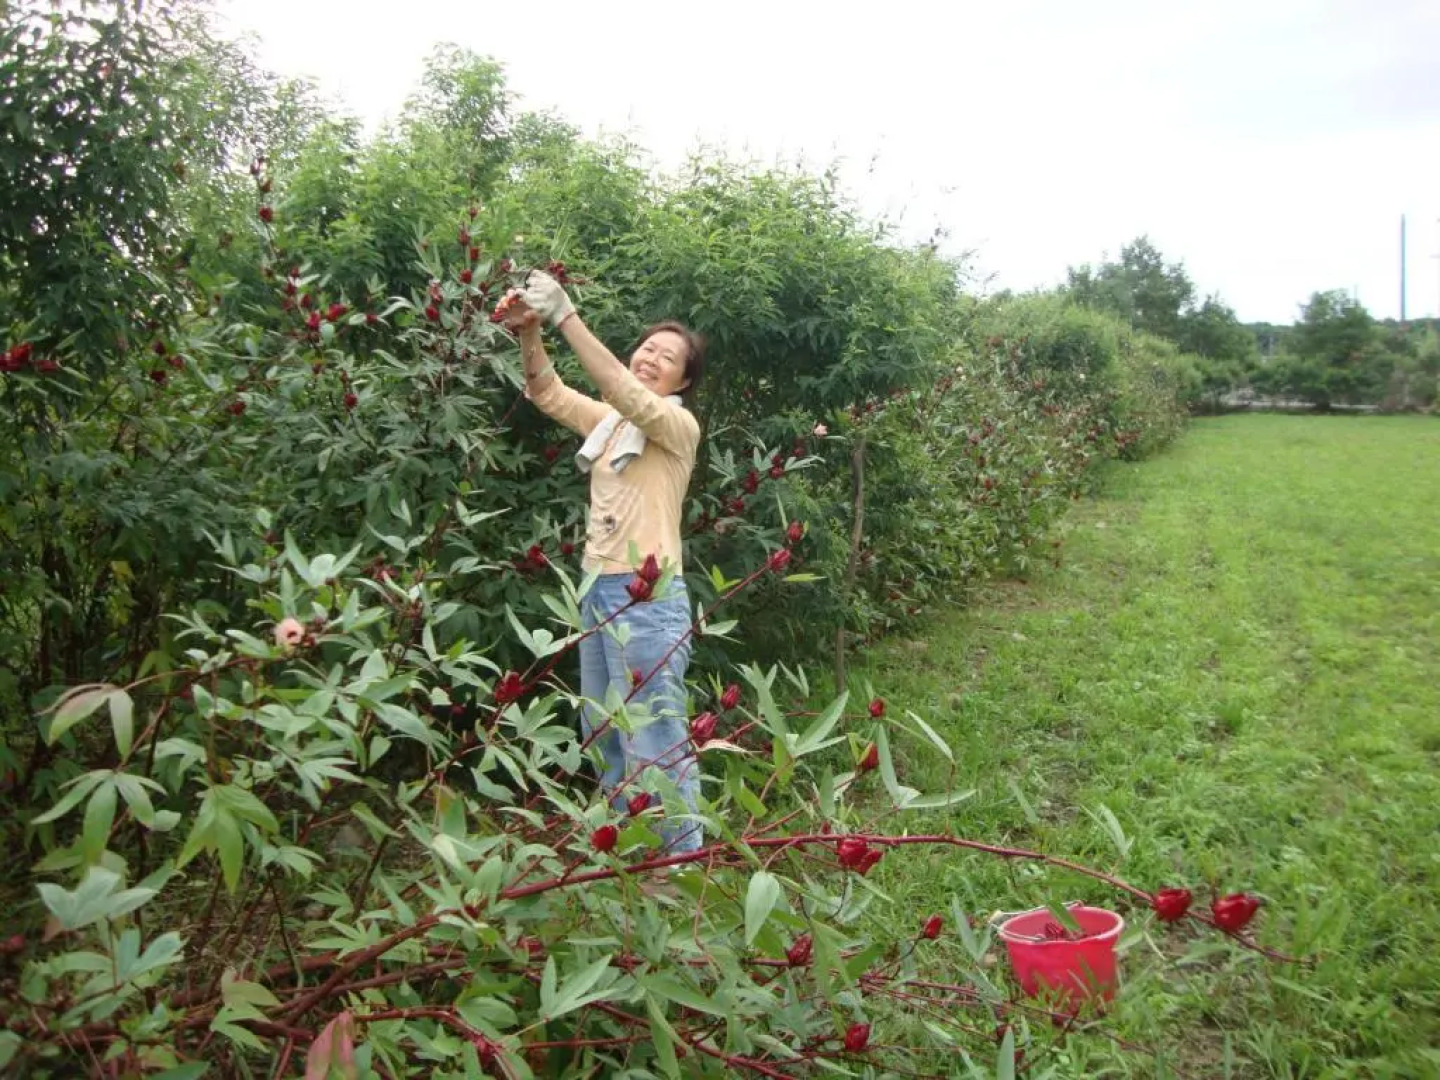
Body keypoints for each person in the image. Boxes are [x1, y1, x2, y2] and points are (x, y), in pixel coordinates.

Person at [501, 269, 706, 854]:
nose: (650, 359)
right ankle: (634, 857)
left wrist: (566, 314)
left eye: (667, 358)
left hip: (649, 600)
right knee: (604, 733)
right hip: (599, 591)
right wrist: (531, 331)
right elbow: (547, 393)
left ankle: (680, 867)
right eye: (647, 348)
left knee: (656, 739)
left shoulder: (674, 425)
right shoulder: (613, 425)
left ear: (683, 380)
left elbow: (623, 390)